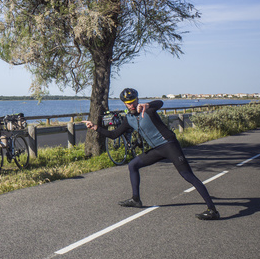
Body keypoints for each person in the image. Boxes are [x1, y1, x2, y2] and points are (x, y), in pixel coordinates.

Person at [84, 88, 220, 220]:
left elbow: (160, 103)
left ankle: (212, 210)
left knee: (187, 175)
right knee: (133, 165)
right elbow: (114, 134)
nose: (132, 105)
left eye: (133, 101)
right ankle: (136, 199)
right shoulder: (129, 119)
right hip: (157, 149)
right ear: (124, 104)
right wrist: (95, 127)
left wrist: (147, 104)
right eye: (128, 103)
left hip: (169, 145)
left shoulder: (148, 110)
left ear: (137, 100)